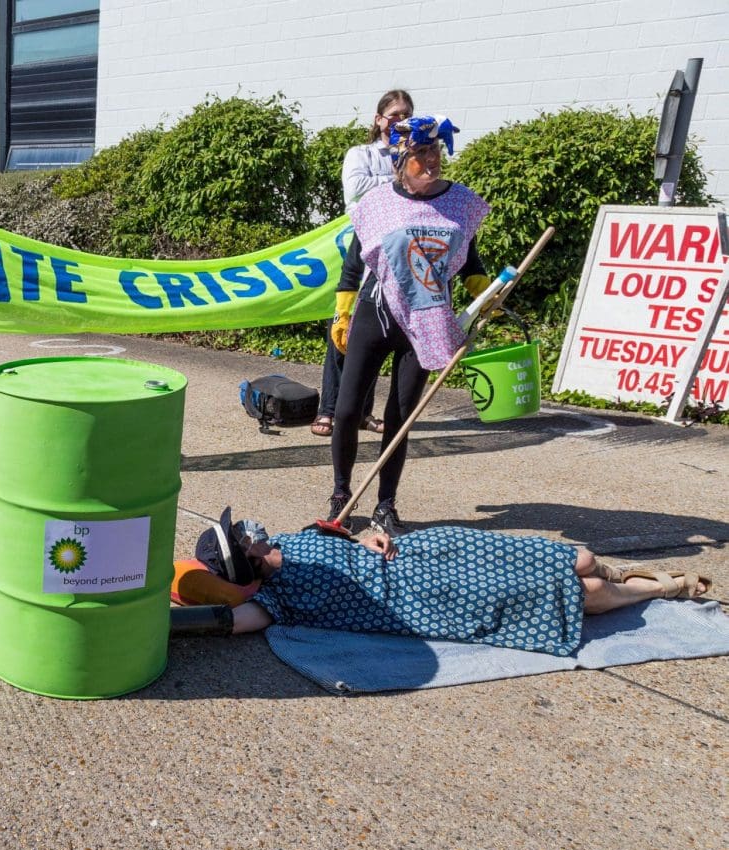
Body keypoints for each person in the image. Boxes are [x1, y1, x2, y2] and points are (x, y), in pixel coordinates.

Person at [206, 516, 714, 656]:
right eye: (241, 535)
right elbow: (231, 621)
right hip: (429, 599)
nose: (250, 528)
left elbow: (352, 537)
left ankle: (619, 572)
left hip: (428, 551)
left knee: (581, 559)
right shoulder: (276, 599)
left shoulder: (294, 536)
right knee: (586, 598)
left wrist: (368, 536)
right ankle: (660, 588)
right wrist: (168, 624)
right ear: (245, 558)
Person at [327, 115, 491, 536]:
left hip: (426, 320)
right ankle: (341, 494)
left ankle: (386, 505)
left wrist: (485, 294)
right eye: (420, 153)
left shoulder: (460, 203)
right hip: (376, 313)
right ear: (401, 160)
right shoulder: (378, 202)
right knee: (346, 410)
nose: (431, 160)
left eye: (434, 150)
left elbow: (469, 262)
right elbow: (354, 263)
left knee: (400, 418)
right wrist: (343, 313)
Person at [311, 89, 414, 440]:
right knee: (344, 327)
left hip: (399, 253)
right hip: (363, 245)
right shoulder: (362, 154)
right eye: (395, 114)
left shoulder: (414, 154)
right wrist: (397, 180)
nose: (400, 121)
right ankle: (329, 409)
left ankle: (362, 412)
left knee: (377, 332)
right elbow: (354, 189)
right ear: (379, 118)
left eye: (407, 115)